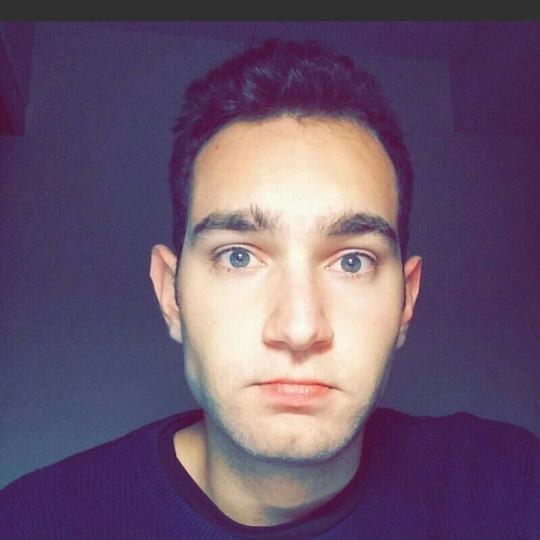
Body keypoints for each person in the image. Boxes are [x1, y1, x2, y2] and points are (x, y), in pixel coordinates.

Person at [0, 38, 538, 540]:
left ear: (406, 300)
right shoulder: (32, 523)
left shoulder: (511, 484)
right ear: (170, 294)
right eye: (239, 256)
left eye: (352, 261)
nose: (299, 329)